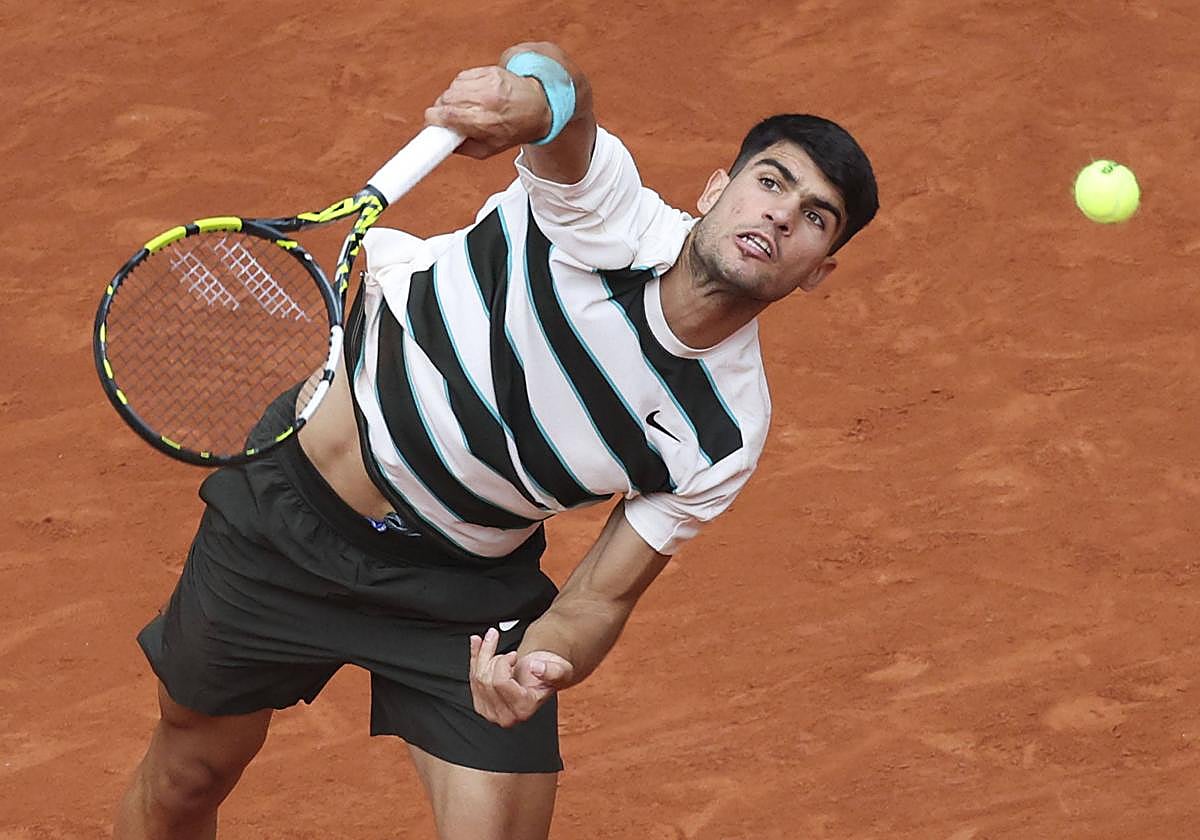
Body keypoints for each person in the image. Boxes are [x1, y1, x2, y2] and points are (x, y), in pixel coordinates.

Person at [113, 40, 878, 840]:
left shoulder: (723, 434)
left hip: (456, 596)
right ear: (719, 187)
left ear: (818, 270)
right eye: (771, 182)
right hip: (288, 516)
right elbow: (564, 103)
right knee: (185, 780)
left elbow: (602, 595)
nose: (782, 215)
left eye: (815, 217)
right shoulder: (606, 214)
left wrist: (542, 661)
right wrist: (528, 92)